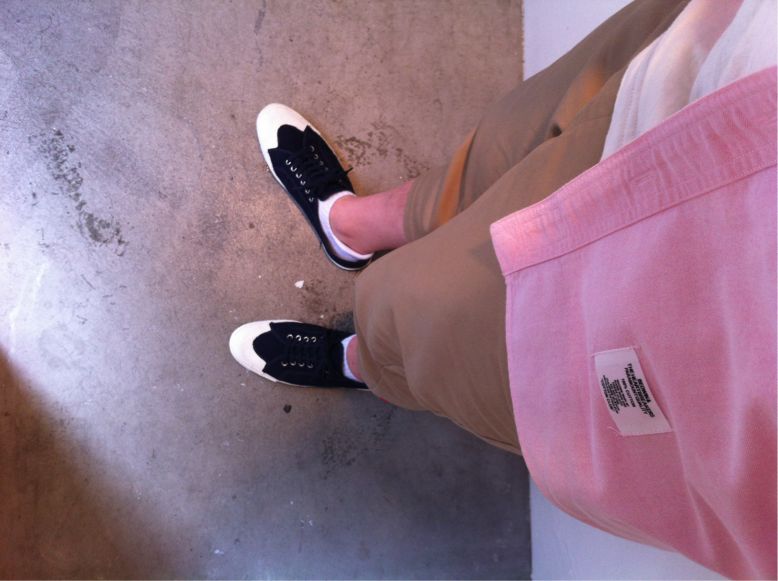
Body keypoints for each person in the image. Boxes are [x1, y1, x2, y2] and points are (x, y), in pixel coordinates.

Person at [230, 0, 776, 576]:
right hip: (741, 56)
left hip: (716, 321)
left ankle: (366, 363)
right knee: (526, 139)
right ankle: (352, 228)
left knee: (426, 316)